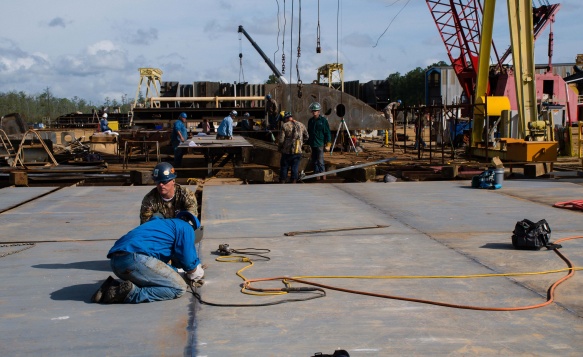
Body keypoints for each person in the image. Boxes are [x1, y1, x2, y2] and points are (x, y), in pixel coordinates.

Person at [91, 211, 204, 304]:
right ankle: (130, 294)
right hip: (135, 259)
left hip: (116, 262)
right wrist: (196, 272)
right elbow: (189, 263)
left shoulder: (162, 225)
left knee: (155, 281)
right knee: (179, 288)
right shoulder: (185, 228)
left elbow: (156, 267)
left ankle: (111, 288)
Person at [278, 112, 309, 183]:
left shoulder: (285, 126)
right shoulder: (301, 125)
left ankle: (282, 181)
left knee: (284, 166)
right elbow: (307, 136)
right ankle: (294, 181)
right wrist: (301, 142)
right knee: (295, 166)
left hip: (286, 151)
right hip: (297, 150)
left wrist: (280, 148)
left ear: (286, 118)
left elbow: (281, 140)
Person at [307, 102, 331, 180]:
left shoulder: (323, 121)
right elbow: (309, 132)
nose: (314, 112)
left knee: (320, 160)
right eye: (313, 111)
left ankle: (323, 174)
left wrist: (328, 143)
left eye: (316, 111)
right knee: (314, 160)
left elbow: (327, 132)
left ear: (319, 111)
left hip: (320, 143)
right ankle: (316, 175)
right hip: (312, 143)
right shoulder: (310, 121)